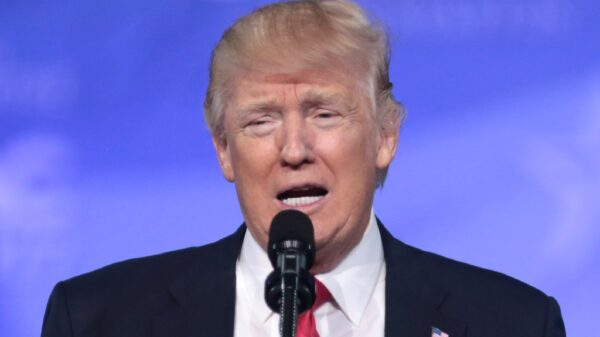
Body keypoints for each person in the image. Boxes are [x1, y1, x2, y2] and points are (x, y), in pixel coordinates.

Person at [41, 1, 566, 336]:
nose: (294, 149)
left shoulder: (513, 323)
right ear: (224, 151)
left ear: (385, 137)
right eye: (261, 121)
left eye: (324, 113)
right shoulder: (97, 319)